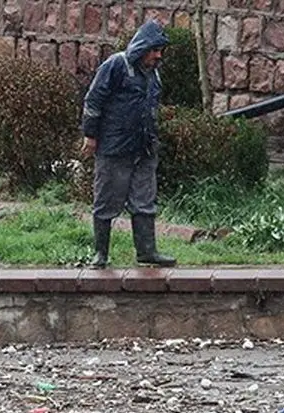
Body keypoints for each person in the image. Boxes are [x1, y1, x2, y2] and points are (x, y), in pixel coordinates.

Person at [80, 18, 176, 269]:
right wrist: (90, 135)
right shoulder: (115, 65)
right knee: (106, 201)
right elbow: (93, 100)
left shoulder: (154, 75)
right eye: (154, 50)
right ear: (142, 48)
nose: (158, 56)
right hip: (114, 147)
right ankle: (100, 254)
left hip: (144, 148)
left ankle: (147, 252)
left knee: (144, 201)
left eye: (160, 51)